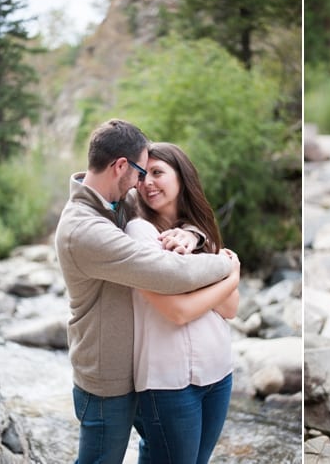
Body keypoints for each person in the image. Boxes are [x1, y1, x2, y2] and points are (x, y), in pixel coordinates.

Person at [54, 119, 237, 463]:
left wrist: (196, 234)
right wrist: (228, 264)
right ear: (120, 166)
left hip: (137, 367)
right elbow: (168, 273)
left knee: (157, 452)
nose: (143, 183)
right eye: (140, 172)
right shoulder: (84, 228)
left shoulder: (116, 200)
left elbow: (170, 205)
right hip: (107, 376)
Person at [125, 142, 239, 463]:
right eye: (142, 175)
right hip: (168, 382)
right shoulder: (139, 234)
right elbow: (177, 312)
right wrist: (231, 275)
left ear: (182, 177)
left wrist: (219, 272)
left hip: (218, 373)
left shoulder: (200, 231)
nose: (147, 182)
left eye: (158, 172)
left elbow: (230, 309)